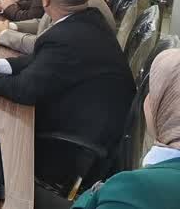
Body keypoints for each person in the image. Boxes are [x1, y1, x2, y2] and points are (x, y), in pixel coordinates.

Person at [0, 0, 135, 187]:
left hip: (75, 148)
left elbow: (22, 90)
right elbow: (38, 61)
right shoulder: (89, 20)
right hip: (96, 129)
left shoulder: (65, 35)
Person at [72, 49, 180, 209]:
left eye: (152, 92)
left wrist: (95, 192)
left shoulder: (133, 190)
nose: (146, 100)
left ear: (165, 106)